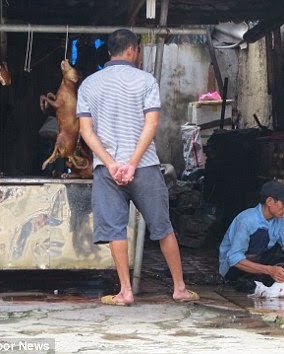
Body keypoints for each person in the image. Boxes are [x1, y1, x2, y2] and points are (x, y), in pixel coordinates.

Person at [76, 29, 199, 306]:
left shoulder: (88, 85)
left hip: (107, 171)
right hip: (144, 167)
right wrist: (132, 164)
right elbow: (151, 125)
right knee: (163, 226)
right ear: (133, 50)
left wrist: (111, 163)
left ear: (111, 51)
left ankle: (125, 291)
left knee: (115, 230)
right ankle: (179, 288)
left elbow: (86, 131)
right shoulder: (146, 81)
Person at [219, 180, 284, 293]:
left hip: (260, 264)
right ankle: (257, 277)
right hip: (234, 268)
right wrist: (269, 270)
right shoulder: (247, 220)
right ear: (269, 201)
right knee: (261, 233)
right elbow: (234, 259)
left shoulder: (279, 219)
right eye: (283, 204)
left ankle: (272, 274)